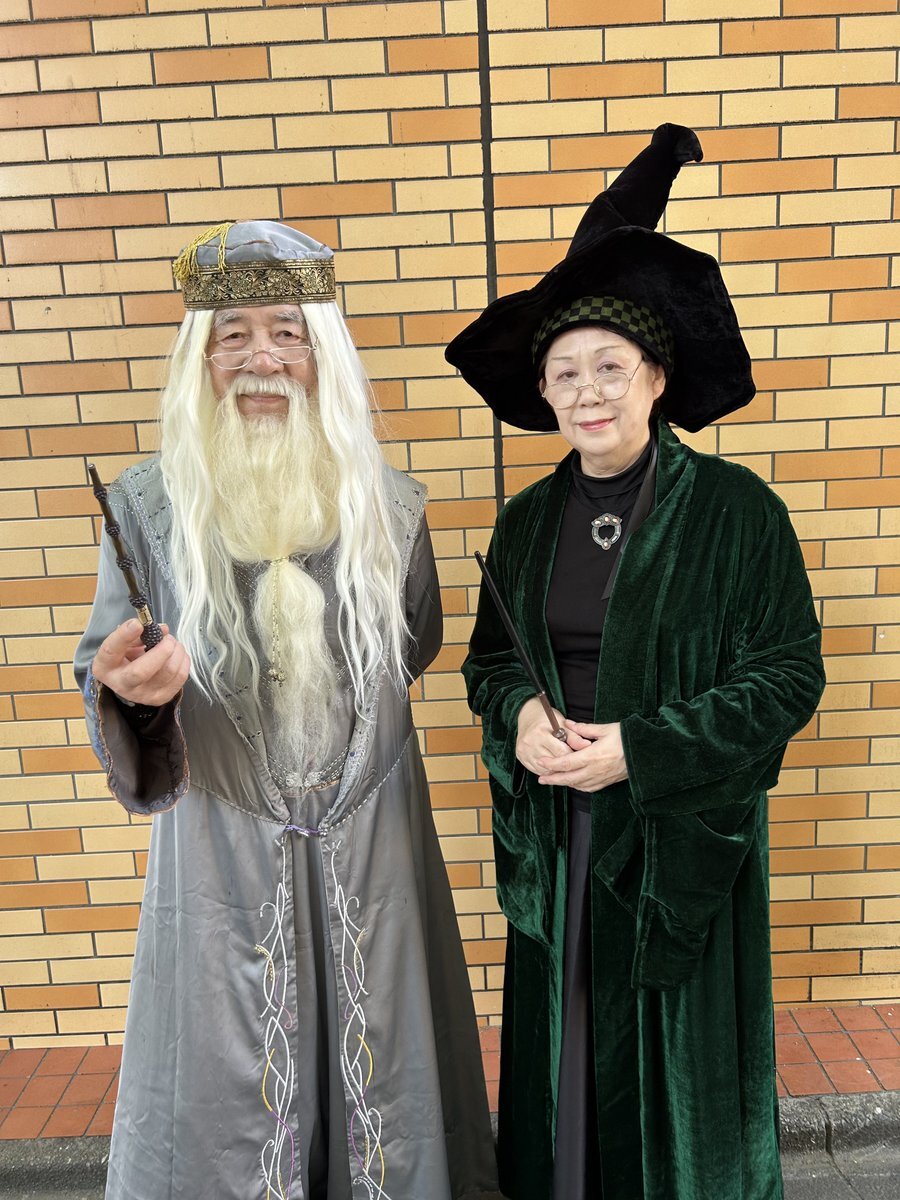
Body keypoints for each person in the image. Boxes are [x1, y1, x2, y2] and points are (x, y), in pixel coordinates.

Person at [75, 220, 499, 1200]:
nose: (261, 358)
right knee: (231, 1096)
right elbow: (106, 664)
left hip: (373, 840)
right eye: (232, 335)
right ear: (201, 358)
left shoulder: (391, 508)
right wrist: (130, 691)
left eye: (286, 332)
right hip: (220, 850)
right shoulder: (145, 510)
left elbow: (415, 644)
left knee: (385, 1073)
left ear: (321, 353)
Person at [445, 126, 826, 1200]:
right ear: (545, 393)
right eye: (564, 372)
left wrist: (641, 750)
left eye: (609, 366)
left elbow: (788, 674)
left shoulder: (737, 512)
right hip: (557, 834)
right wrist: (522, 717)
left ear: (655, 376)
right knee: (569, 1058)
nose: (587, 391)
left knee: (678, 1070)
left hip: (677, 837)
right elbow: (488, 664)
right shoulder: (526, 523)